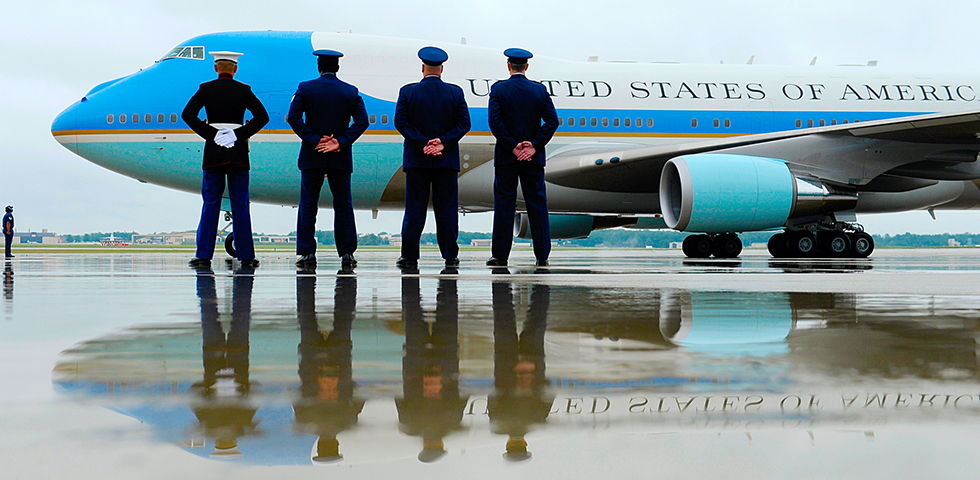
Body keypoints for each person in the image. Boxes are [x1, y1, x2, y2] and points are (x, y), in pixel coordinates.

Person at [182, 51, 268, 269]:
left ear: (216, 68)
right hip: (237, 152)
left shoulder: (206, 89)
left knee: (211, 203)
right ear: (235, 69)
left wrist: (212, 134)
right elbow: (262, 117)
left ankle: (203, 255)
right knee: (241, 204)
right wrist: (237, 134)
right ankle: (247, 255)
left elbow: (188, 115)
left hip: (214, 152)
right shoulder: (244, 90)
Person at [288, 50, 369, 269]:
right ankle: (347, 253)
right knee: (343, 205)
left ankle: (306, 253)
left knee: (308, 205)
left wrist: (315, 140)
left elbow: (294, 118)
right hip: (339, 157)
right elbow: (362, 122)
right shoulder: (350, 91)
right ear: (338, 68)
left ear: (319, 67)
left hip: (312, 155)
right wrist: (339, 142)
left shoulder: (305, 88)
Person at [394, 46, 471, 268]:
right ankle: (450, 255)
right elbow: (464, 124)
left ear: (422, 68)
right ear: (442, 69)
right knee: (446, 208)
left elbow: (401, 122)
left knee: (415, 208)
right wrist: (442, 143)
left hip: (417, 160)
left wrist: (423, 143)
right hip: (445, 161)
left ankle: (409, 256)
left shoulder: (407, 92)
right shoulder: (455, 93)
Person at [486, 48, 559, 267]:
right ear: (526, 67)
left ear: (509, 66)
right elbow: (552, 122)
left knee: (504, 205)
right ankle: (542, 255)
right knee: (537, 205)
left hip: (508, 158)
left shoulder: (499, 90)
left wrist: (514, 147)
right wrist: (533, 146)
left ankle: (499, 256)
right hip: (533, 159)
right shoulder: (539, 90)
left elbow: (495, 123)